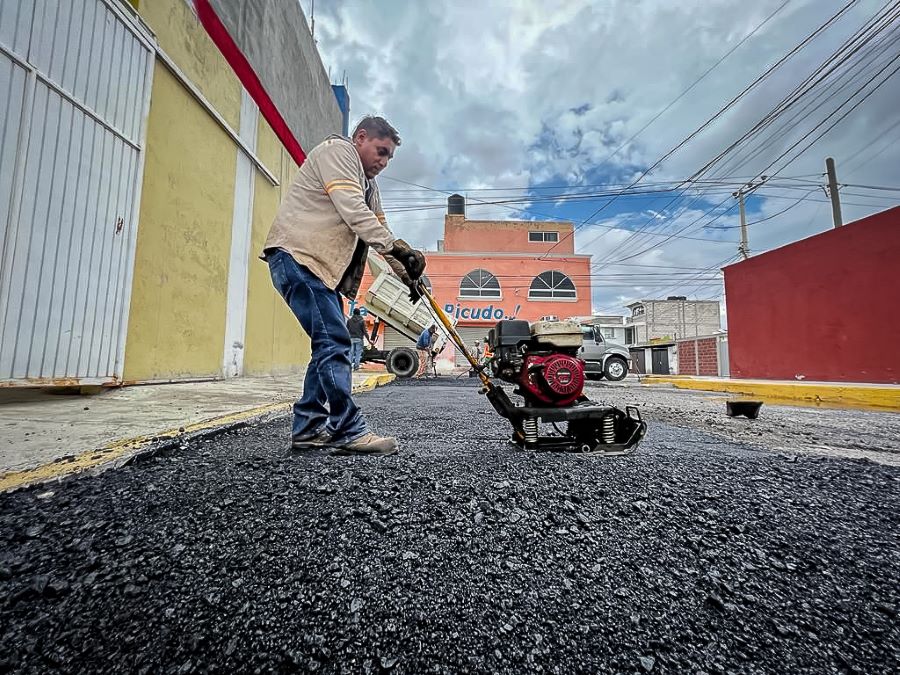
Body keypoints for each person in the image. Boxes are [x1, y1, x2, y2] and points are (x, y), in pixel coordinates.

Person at [261, 116, 426, 456]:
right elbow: (354, 213)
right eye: (381, 151)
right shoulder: (338, 153)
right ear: (361, 137)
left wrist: (409, 276)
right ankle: (348, 430)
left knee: (325, 346)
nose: (383, 162)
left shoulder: (370, 187)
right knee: (334, 341)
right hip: (299, 259)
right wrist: (398, 248)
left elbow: (381, 234)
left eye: (389, 157)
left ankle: (307, 428)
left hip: (319, 271)